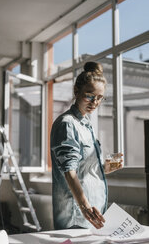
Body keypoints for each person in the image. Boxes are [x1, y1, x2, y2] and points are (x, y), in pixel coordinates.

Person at [50, 61, 123, 230]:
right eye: (90, 96)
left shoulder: (85, 123)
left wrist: (105, 167)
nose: (95, 102)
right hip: (77, 214)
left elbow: (84, 167)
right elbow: (70, 172)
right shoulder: (67, 124)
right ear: (76, 91)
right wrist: (85, 207)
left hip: (92, 210)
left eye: (99, 98)